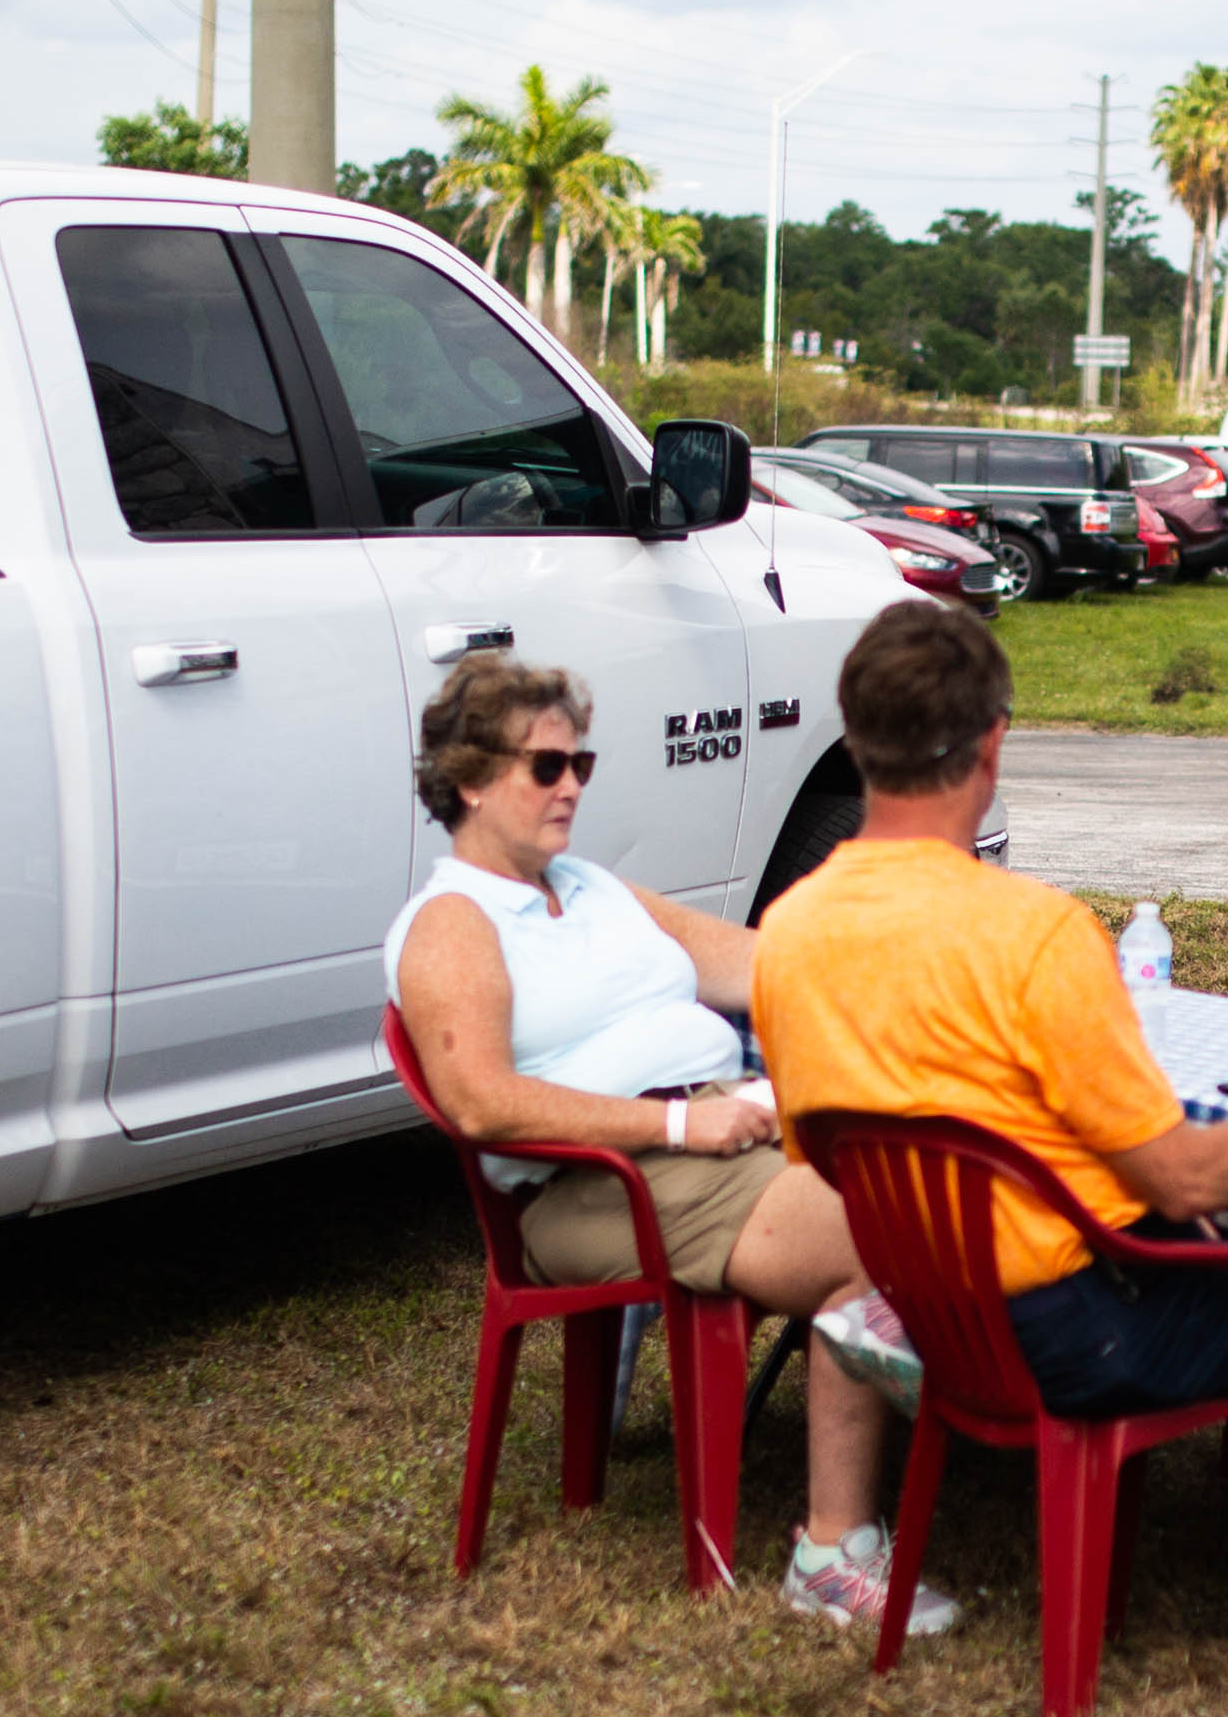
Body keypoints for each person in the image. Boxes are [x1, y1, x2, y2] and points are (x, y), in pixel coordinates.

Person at [752, 600, 1228, 1514]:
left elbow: (840, 1152)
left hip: (938, 1312)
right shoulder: (1034, 932)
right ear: (993, 742)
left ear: (854, 740)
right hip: (1082, 1325)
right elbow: (1188, 1179)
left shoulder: (788, 929)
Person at [385, 652, 950, 1639]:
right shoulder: (450, 923)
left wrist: (906, 958)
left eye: (580, 765)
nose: (571, 787)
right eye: (545, 767)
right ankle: (833, 1551)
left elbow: (755, 962)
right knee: (887, 1232)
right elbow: (482, 1103)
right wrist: (677, 1122)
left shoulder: (591, 887)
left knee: (950, 1173)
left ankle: (944, 1379)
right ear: (471, 780)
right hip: (599, 1180)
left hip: (719, 1123)